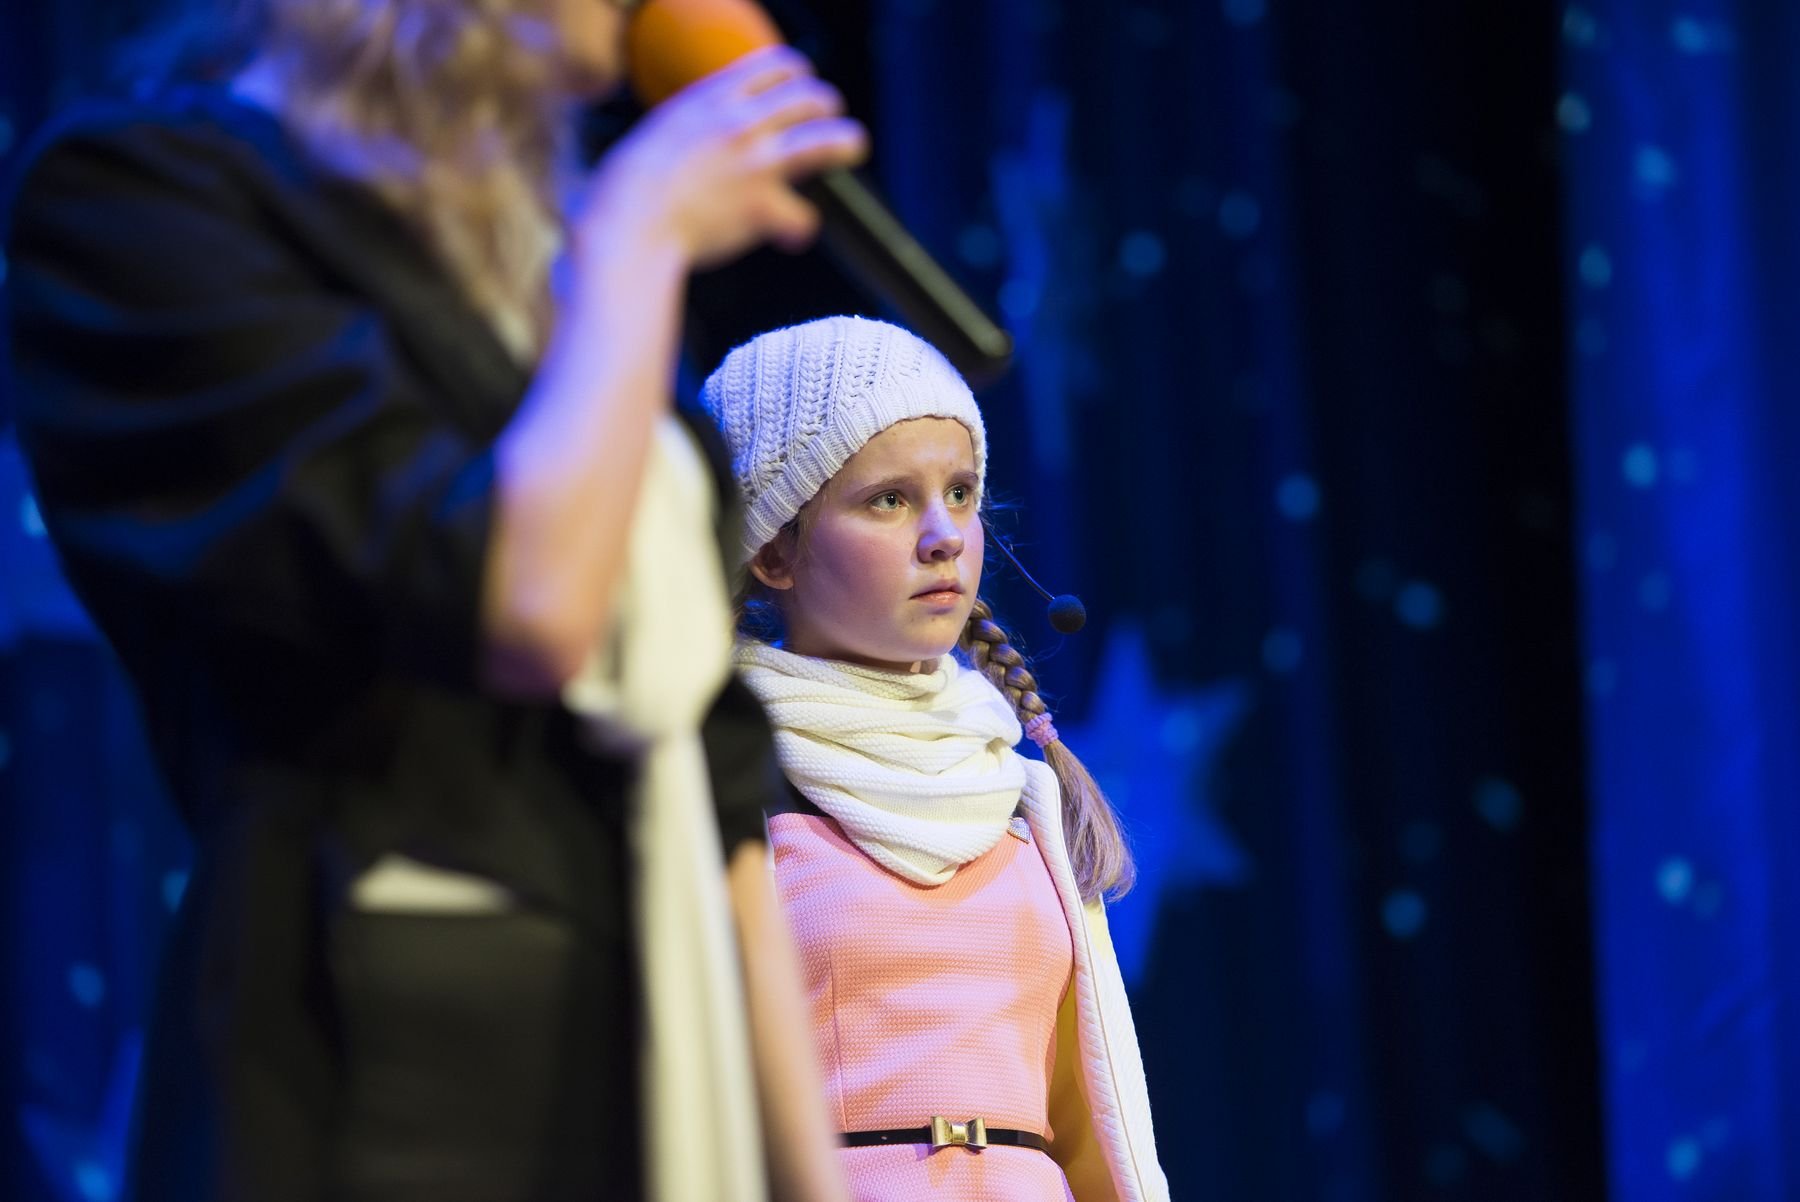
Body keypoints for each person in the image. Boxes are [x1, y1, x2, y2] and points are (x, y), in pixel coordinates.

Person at [3, 0, 864, 1198]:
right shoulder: (144, 200)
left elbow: (714, 770)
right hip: (387, 1071)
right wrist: (635, 241)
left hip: (656, 1047)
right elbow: (523, 603)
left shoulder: (542, 272)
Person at [699, 314, 1171, 1201]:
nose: (943, 534)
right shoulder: (720, 777)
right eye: (888, 500)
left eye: (960, 493)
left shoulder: (1018, 793)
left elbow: (1089, 1125)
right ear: (774, 551)